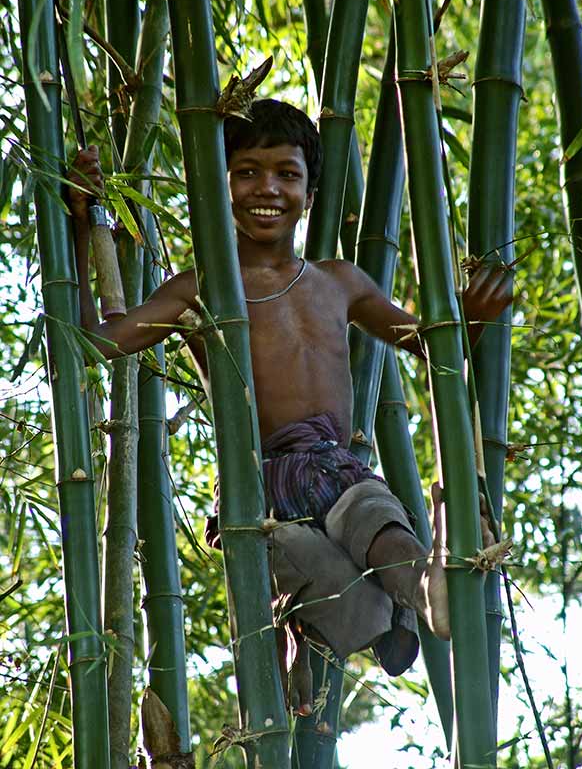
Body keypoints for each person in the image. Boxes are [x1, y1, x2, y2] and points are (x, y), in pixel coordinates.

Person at [68, 99, 510, 715]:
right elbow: (94, 341)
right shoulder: (202, 289)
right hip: (264, 495)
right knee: (322, 576)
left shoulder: (339, 280)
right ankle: (379, 619)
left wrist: (471, 319)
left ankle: (437, 582)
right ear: (218, 185)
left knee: (381, 526)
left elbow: (431, 345)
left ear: (310, 186)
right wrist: (76, 219)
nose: (266, 188)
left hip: (339, 469)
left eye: (287, 173)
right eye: (246, 171)